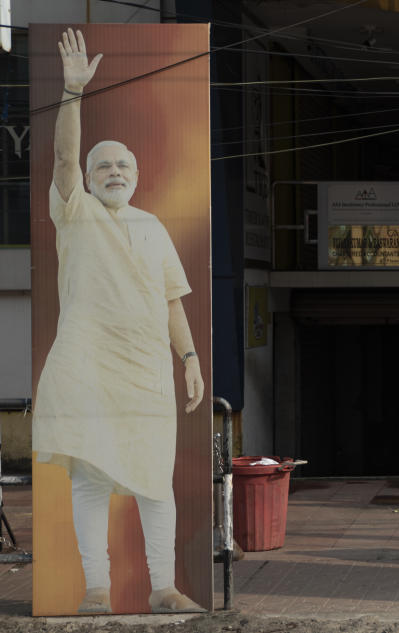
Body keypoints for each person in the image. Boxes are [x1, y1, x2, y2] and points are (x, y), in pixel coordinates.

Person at [32, 29, 204, 614]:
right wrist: (73, 94)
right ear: (87, 175)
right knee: (91, 482)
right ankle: (97, 590)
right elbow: (61, 158)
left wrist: (190, 360)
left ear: (135, 174)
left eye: (121, 164)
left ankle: (163, 588)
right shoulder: (73, 210)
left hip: (149, 368)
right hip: (85, 363)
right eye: (101, 164)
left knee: (156, 479)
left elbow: (172, 300)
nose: (112, 170)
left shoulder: (153, 227)